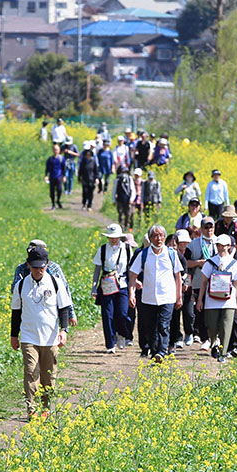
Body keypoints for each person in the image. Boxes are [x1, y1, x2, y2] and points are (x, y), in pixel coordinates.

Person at [11, 247, 72, 418]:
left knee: (48, 375)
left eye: (42, 267)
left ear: (48, 265)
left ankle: (46, 407)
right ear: (28, 265)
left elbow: (64, 308)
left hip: (51, 337)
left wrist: (64, 330)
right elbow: (16, 311)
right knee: (31, 372)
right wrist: (14, 335)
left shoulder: (55, 283)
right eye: (35, 266)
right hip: (29, 336)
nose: (39, 270)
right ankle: (32, 409)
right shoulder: (21, 285)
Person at [128, 224, 182, 361]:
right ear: (150, 238)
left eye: (161, 235)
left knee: (164, 325)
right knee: (150, 327)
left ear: (164, 237)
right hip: (148, 297)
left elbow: (178, 276)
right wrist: (131, 294)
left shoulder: (171, 254)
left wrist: (179, 296)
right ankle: (154, 351)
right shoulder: (143, 254)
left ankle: (162, 352)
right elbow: (133, 275)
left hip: (167, 296)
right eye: (155, 236)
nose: (159, 238)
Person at [196, 235, 237, 363]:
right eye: (219, 245)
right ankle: (214, 342)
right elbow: (204, 282)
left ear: (229, 246)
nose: (221, 248)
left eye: (224, 245)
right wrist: (200, 300)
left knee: (226, 327)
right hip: (211, 300)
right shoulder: (210, 262)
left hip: (229, 301)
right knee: (211, 326)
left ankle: (222, 353)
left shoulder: (235, 263)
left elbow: (236, 283)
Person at [11, 239, 78, 328]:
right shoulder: (21, 269)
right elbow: (15, 290)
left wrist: (71, 313)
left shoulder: (54, 268)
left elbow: (65, 291)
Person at [92, 223, 133, 353]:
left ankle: (122, 333)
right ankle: (110, 344)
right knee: (107, 315)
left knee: (122, 313)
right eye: (111, 237)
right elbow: (97, 269)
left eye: (116, 237)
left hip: (122, 285)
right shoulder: (103, 249)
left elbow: (132, 269)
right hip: (107, 285)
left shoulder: (127, 249)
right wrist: (94, 287)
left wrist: (133, 286)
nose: (114, 240)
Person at [184, 217, 216, 350]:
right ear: (201, 229)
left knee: (213, 310)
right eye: (206, 227)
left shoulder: (219, 242)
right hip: (198, 281)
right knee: (200, 309)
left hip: (216, 282)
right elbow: (185, 262)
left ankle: (214, 337)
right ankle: (203, 336)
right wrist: (199, 263)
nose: (209, 230)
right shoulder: (193, 244)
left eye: (211, 227)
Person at [168, 229, 194, 349]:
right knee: (175, 315)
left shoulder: (188, 253)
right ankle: (177, 338)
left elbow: (186, 272)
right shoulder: (169, 254)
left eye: (185, 242)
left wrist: (186, 284)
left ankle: (189, 332)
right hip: (171, 289)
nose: (183, 244)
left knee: (188, 314)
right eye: (181, 242)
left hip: (186, 289)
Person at [44, 143, 66, 209]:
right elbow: (47, 168)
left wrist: (64, 176)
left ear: (59, 150)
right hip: (52, 176)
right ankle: (53, 204)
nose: (55, 151)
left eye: (56, 150)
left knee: (59, 190)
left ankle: (58, 200)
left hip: (59, 176)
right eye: (54, 149)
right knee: (52, 191)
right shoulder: (50, 159)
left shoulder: (62, 158)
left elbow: (64, 168)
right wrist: (46, 175)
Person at [78, 147, 99, 211]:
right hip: (84, 179)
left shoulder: (93, 162)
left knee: (90, 193)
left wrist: (97, 178)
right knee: (84, 192)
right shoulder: (83, 162)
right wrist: (79, 178)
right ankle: (84, 204)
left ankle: (89, 205)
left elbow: (96, 171)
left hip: (91, 179)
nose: (88, 156)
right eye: (87, 155)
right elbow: (80, 170)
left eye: (89, 155)